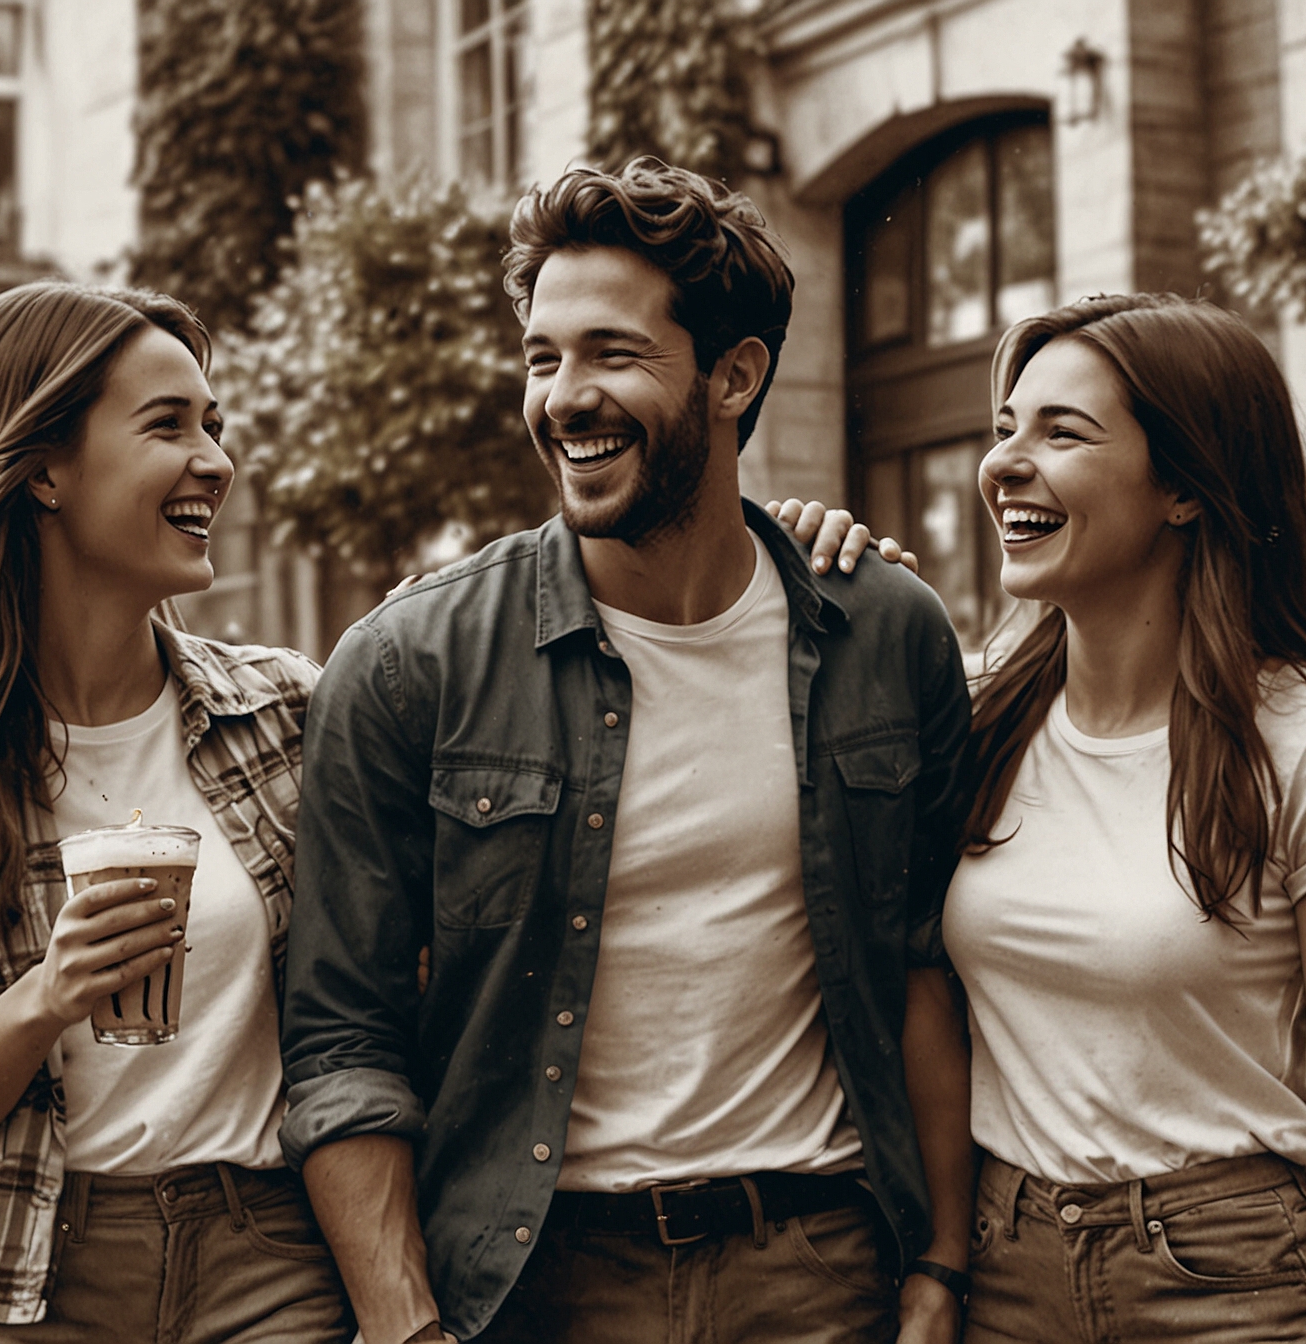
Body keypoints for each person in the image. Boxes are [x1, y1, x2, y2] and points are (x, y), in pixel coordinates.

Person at [279, 158, 977, 1344]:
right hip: (530, 1282)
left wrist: (939, 1271)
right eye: (542, 357)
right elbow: (342, 1032)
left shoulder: (887, 633)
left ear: (733, 374)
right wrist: (403, 1323)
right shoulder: (412, 662)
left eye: (611, 353)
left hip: (817, 1270)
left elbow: (925, 967)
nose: (562, 396)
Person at [0, 281, 355, 1341]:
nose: (216, 462)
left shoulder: (289, 712)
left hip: (267, 1261)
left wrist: (752, 569)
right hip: (9, 1284)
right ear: (44, 467)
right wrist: (47, 996)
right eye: (168, 425)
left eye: (214, 426)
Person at [927, 293, 1306, 1343]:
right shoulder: (973, 717)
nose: (1005, 463)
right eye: (1004, 427)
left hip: (1231, 1281)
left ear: (1185, 490)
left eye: (1061, 432)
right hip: (1006, 1272)